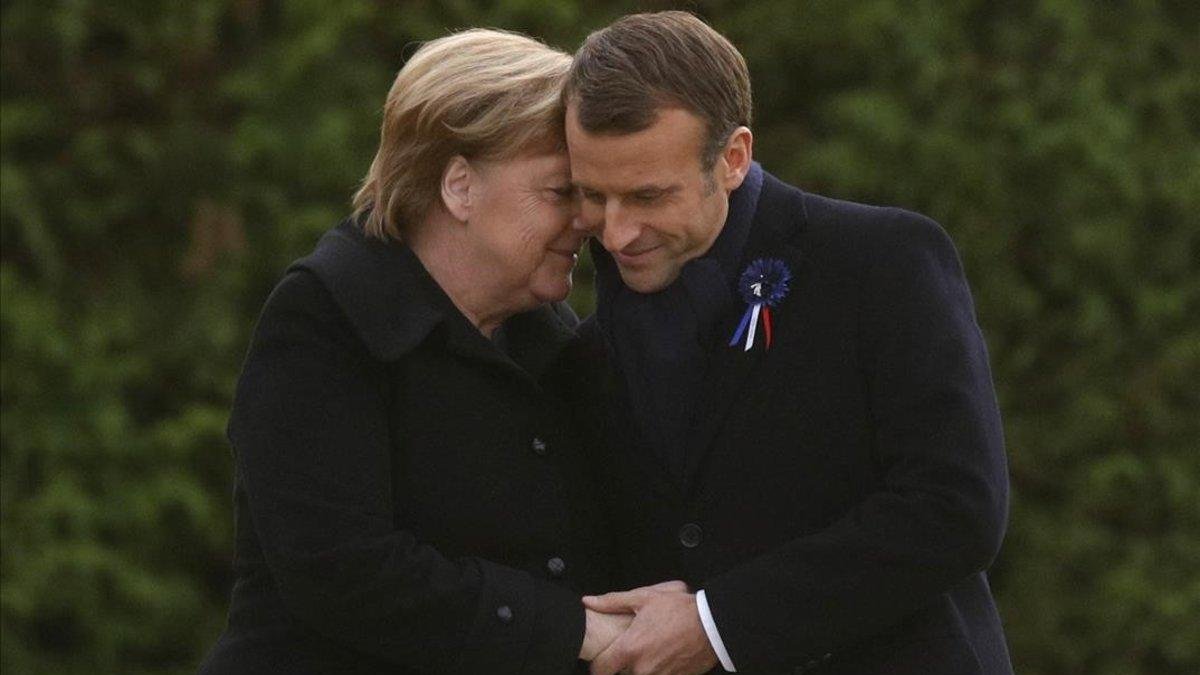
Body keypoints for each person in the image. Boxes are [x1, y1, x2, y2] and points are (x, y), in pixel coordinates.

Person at [565, 11, 1013, 675]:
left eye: (648, 196)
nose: (617, 232)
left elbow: (955, 508)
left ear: (735, 158)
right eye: (591, 194)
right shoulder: (581, 348)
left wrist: (718, 625)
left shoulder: (882, 262)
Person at [198, 29, 628, 675]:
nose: (587, 220)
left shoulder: (546, 332)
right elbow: (340, 568)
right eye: (560, 192)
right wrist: (575, 629)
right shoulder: (328, 317)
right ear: (459, 186)